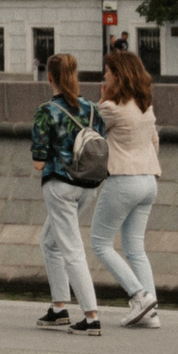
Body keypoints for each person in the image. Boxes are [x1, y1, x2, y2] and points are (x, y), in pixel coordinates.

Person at [86, 45, 163, 331]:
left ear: (119, 75)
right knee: (135, 248)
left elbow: (90, 136)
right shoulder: (145, 106)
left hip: (124, 180)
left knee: (100, 243)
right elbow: (154, 142)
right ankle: (151, 312)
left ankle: (139, 296)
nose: (104, 75)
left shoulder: (111, 108)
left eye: (108, 71)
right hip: (149, 180)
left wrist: (100, 102)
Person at [28, 52, 103, 331]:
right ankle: (59, 307)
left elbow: (38, 163)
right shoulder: (93, 109)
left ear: (50, 77)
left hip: (60, 187)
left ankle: (92, 316)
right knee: (49, 241)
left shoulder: (46, 111)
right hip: (88, 186)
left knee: (71, 249)